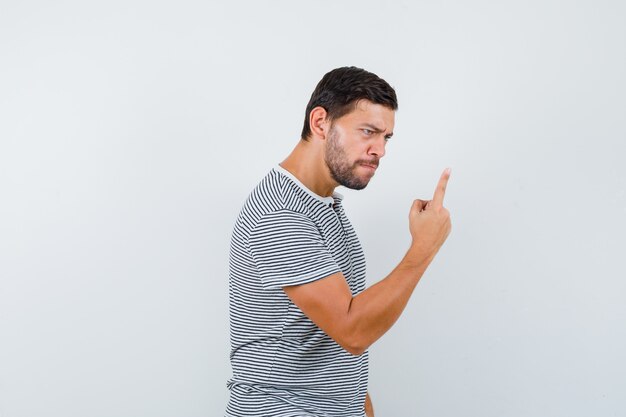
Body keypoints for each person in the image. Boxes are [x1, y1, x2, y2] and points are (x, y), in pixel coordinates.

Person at [225, 66, 451, 417]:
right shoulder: (281, 214)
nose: (380, 150)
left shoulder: (322, 204)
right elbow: (352, 330)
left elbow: (337, 344)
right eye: (368, 132)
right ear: (320, 123)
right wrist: (424, 247)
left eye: (386, 137)